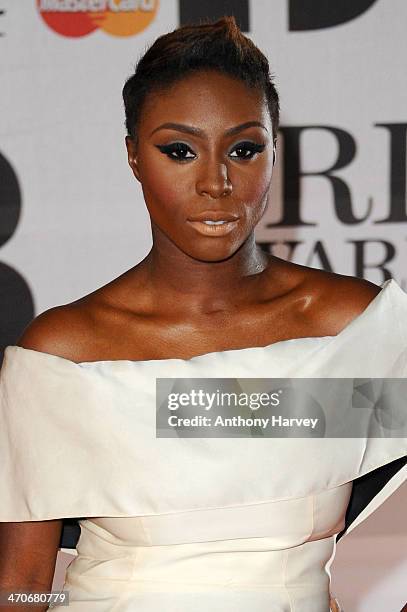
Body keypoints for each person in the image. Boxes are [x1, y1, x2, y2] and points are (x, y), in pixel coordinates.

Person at [0, 16, 406, 612]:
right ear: (135, 157)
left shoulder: (349, 331)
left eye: (244, 149)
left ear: (275, 153)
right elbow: (20, 583)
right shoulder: (66, 354)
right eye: (179, 150)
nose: (216, 182)